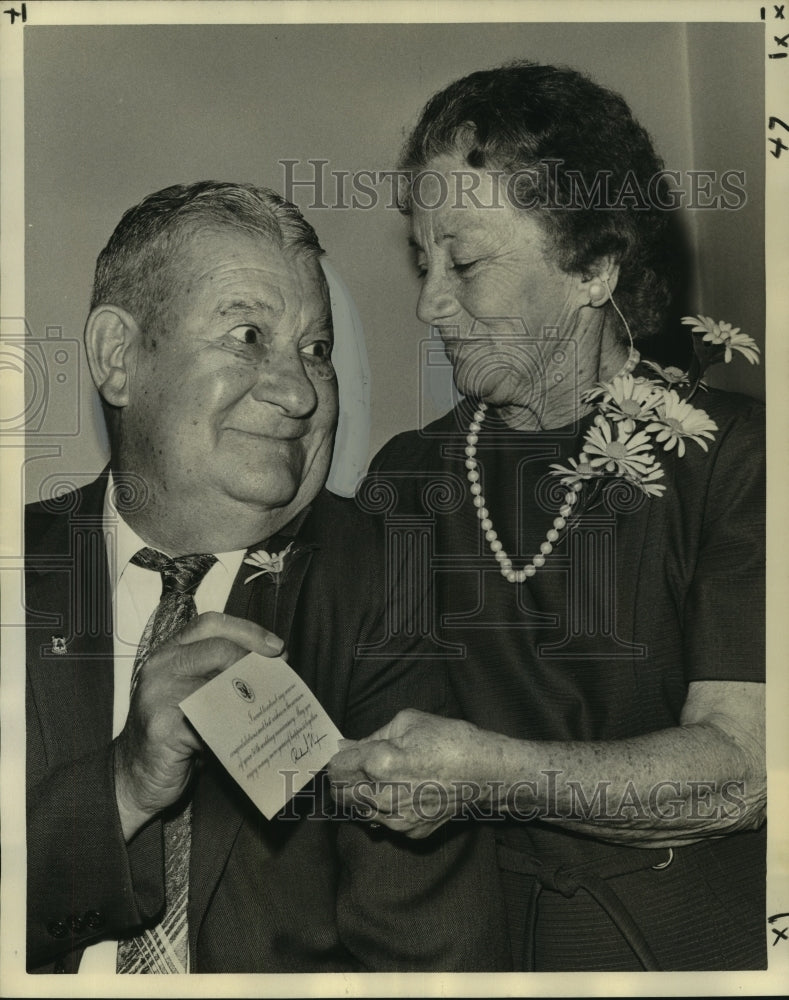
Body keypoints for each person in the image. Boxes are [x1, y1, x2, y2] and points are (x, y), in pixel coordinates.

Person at [329, 63, 766, 971]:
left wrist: (486, 774)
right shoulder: (407, 478)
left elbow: (742, 771)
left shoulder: (733, 460)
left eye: (466, 260)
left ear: (592, 267)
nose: (427, 303)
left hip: (690, 941)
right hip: (467, 944)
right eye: (423, 261)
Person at [25, 181, 510, 974]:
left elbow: (433, 958)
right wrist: (124, 785)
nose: (297, 393)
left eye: (315, 350)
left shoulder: (395, 584)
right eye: (248, 335)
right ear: (119, 358)